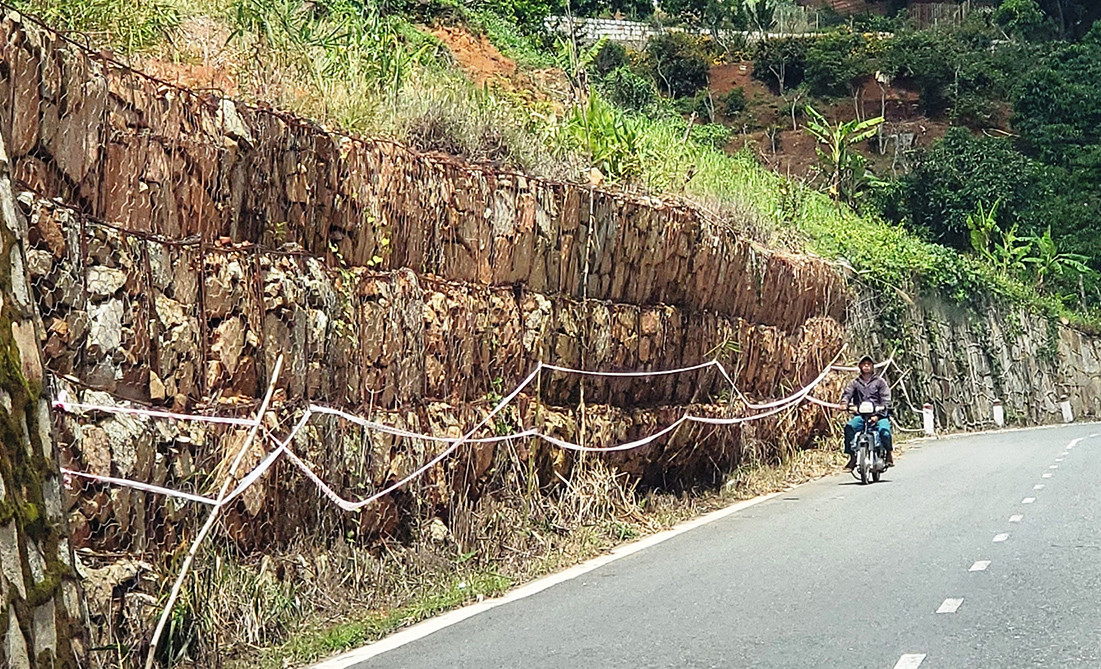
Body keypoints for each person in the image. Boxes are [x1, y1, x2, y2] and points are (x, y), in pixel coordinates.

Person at [840, 355, 893, 470]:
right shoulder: (855, 383)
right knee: (849, 427)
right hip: (861, 416)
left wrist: (879, 413)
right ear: (860, 367)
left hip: (879, 415)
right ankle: (852, 457)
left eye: (868, 364)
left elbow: (886, 399)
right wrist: (845, 403)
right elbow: (847, 394)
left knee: (885, 432)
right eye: (864, 364)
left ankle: (888, 454)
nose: (866, 366)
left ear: (872, 367)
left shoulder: (880, 382)